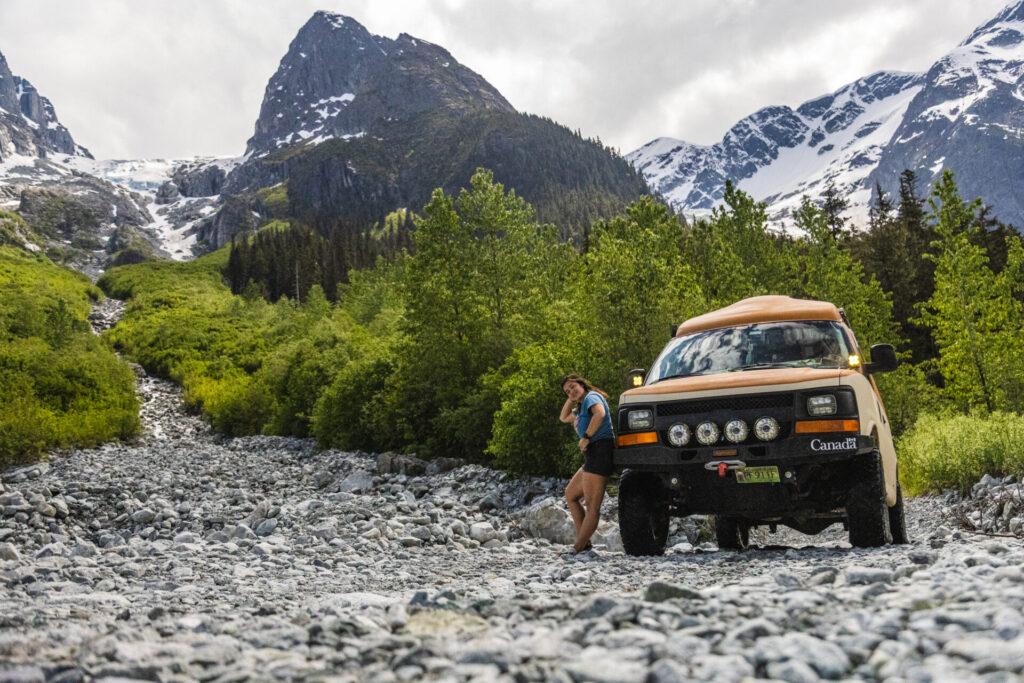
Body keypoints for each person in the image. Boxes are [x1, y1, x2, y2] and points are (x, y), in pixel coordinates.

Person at [558, 374, 615, 554]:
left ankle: (578, 547)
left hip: (601, 451)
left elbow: (600, 413)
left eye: (573, 387)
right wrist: (570, 398)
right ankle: (585, 543)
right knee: (571, 494)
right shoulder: (581, 406)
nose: (571, 391)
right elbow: (563, 417)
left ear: (582, 384)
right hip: (592, 455)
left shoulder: (591, 397)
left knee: (592, 507)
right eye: (567, 391)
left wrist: (587, 437)